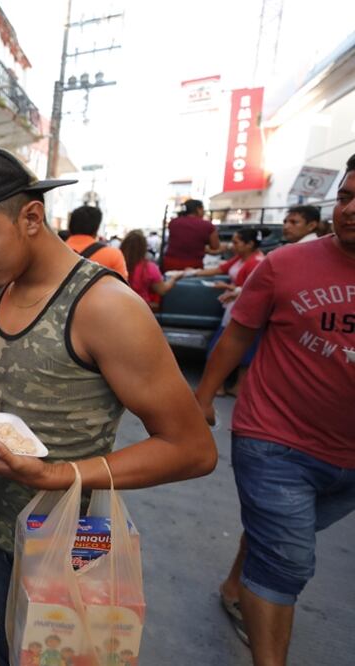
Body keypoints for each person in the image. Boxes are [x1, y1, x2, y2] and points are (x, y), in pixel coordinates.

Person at [0, 147, 216, 666]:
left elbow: (192, 450)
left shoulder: (107, 308)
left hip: (62, 534)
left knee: (30, 650)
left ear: (31, 217)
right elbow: (14, 373)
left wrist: (57, 475)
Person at [194, 154, 355, 666]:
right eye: (347, 196)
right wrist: (202, 399)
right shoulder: (284, 265)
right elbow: (237, 333)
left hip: (347, 459)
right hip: (274, 438)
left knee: (285, 534)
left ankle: (236, 583)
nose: (351, 209)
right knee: (287, 560)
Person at [176, 227, 266, 396]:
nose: (232, 245)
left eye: (236, 242)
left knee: (223, 348)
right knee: (236, 348)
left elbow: (254, 288)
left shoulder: (257, 262)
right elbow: (220, 269)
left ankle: (219, 387)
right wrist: (192, 273)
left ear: (250, 244)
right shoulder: (241, 258)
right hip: (234, 307)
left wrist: (229, 288)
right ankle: (228, 386)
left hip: (244, 309)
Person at [63, 205, 128, 279]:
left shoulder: (54, 251)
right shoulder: (113, 255)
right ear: (96, 228)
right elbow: (121, 287)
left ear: (70, 226)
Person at [120, 230, 179, 309]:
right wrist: (174, 278)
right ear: (144, 248)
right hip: (142, 308)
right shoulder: (149, 267)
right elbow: (162, 290)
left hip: (118, 307)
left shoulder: (116, 264)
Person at [162, 199, 222, 271]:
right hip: (192, 267)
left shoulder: (173, 222)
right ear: (198, 209)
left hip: (170, 264)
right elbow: (215, 247)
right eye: (203, 209)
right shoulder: (207, 225)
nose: (203, 212)